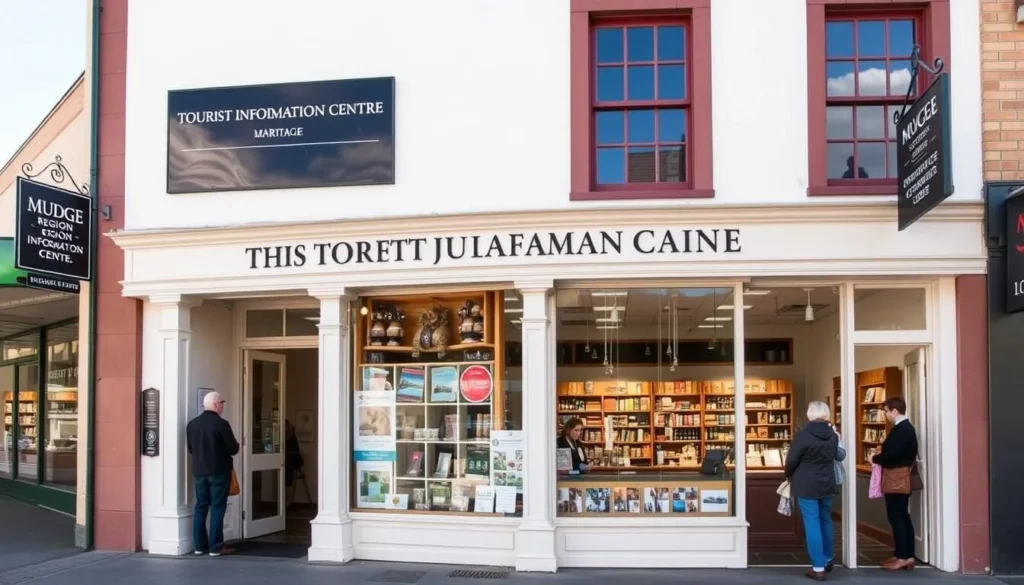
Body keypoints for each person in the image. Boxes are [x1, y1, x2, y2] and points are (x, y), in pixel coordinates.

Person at [785, 401, 843, 581]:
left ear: (809, 415)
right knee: (826, 519)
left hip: (806, 484)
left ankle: (818, 567)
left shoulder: (803, 436)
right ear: (826, 415)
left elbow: (791, 460)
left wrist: (788, 475)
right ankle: (828, 557)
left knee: (812, 523)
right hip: (827, 483)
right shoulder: (833, 436)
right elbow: (837, 455)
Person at [186, 391, 239, 556]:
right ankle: (216, 546)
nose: (222, 405)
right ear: (216, 405)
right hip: (218, 472)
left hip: (199, 472)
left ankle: (199, 546)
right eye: (221, 402)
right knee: (217, 507)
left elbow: (191, 449)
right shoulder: (221, 424)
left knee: (201, 506)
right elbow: (233, 448)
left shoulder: (192, 424)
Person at [872, 396, 919, 571]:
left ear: (894, 411)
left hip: (897, 478)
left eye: (886, 411)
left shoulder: (902, 429)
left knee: (897, 517)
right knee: (901, 516)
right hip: (899, 476)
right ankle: (903, 554)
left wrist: (875, 457)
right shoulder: (904, 429)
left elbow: (893, 454)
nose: (885, 415)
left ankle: (903, 556)